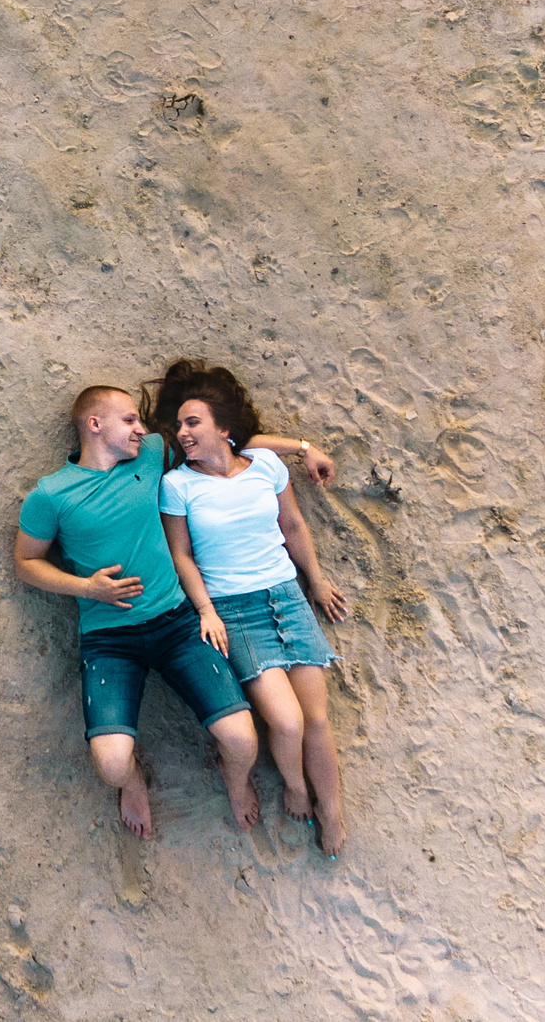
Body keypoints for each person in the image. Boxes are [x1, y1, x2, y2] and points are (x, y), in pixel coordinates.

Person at [13, 384, 334, 841]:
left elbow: (233, 445)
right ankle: (134, 780)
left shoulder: (150, 456)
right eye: (129, 421)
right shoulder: (51, 495)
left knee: (243, 741)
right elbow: (25, 562)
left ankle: (234, 778)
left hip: (177, 623)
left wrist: (304, 448)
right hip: (110, 639)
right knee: (111, 764)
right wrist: (86, 587)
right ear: (95, 424)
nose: (142, 429)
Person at [150, 359, 352, 859]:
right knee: (286, 723)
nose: (183, 432)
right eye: (179, 425)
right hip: (234, 611)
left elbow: (294, 527)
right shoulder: (178, 484)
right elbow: (182, 556)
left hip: (286, 594)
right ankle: (297, 787)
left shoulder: (264, 465)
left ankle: (332, 808)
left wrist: (317, 581)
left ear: (224, 429)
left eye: (193, 422)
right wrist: (206, 610)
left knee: (317, 720)